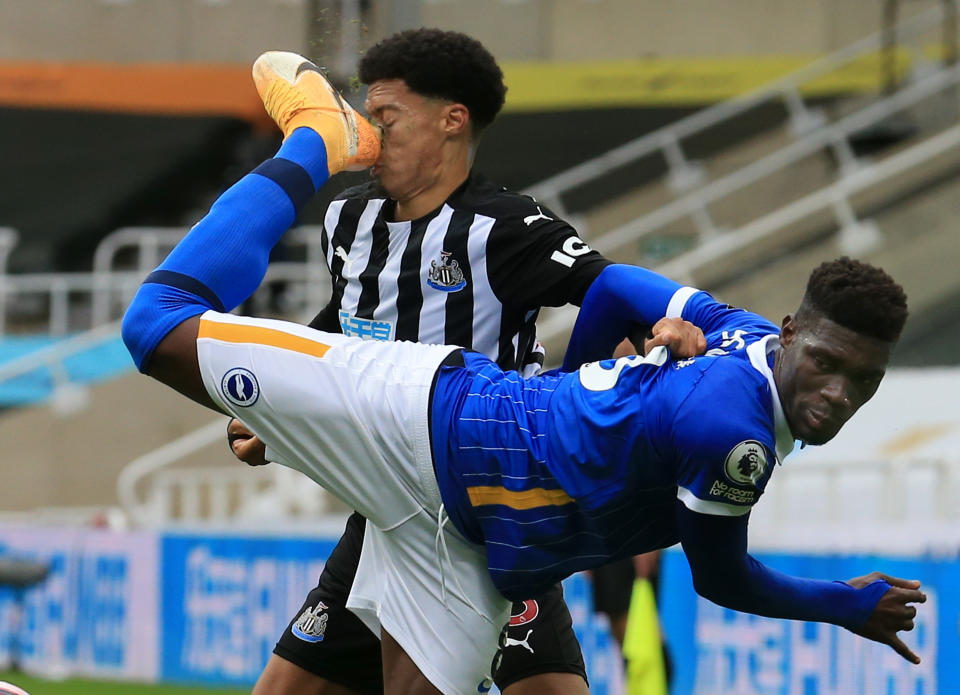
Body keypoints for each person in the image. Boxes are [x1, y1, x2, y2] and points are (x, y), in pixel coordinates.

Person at [120, 47, 925, 695]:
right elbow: (725, 575)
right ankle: (309, 139)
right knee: (154, 325)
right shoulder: (734, 436)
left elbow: (607, 283)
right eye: (825, 362)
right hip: (424, 419)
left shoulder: (531, 238)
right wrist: (845, 603)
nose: (836, 391)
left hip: (478, 532)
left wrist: (579, 378)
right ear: (790, 337)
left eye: (861, 381)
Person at [232, 33, 702, 695]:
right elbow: (342, 328)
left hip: (490, 518)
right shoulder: (346, 220)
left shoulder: (504, 227)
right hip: (386, 514)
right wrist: (271, 407)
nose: (368, 133)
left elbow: (607, 283)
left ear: (452, 120)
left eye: (387, 117)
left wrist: (668, 321)